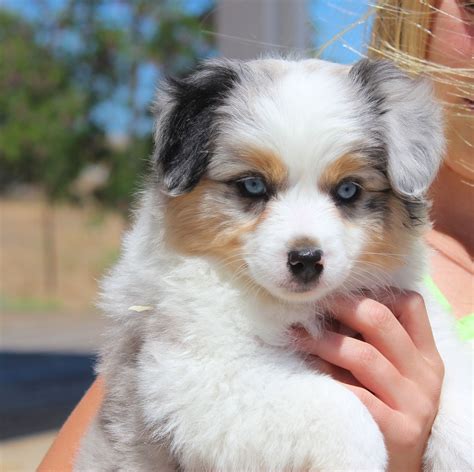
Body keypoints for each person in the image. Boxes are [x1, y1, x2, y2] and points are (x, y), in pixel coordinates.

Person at [39, 1, 473, 470]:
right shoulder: (190, 290)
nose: (306, 243)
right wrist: (353, 436)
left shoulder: (402, 281)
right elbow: (205, 407)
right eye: (253, 187)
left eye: (347, 191)